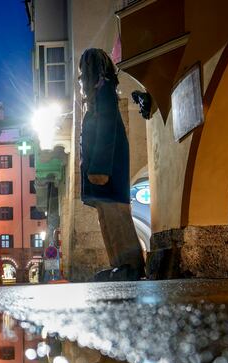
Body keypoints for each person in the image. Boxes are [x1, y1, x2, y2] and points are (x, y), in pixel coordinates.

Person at [79, 48, 146, 282]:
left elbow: (106, 131)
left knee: (117, 219)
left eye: (82, 71)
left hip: (106, 171)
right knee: (108, 220)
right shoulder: (99, 94)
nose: (81, 77)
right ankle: (119, 264)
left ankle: (132, 265)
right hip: (102, 171)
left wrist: (99, 169)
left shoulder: (104, 91)